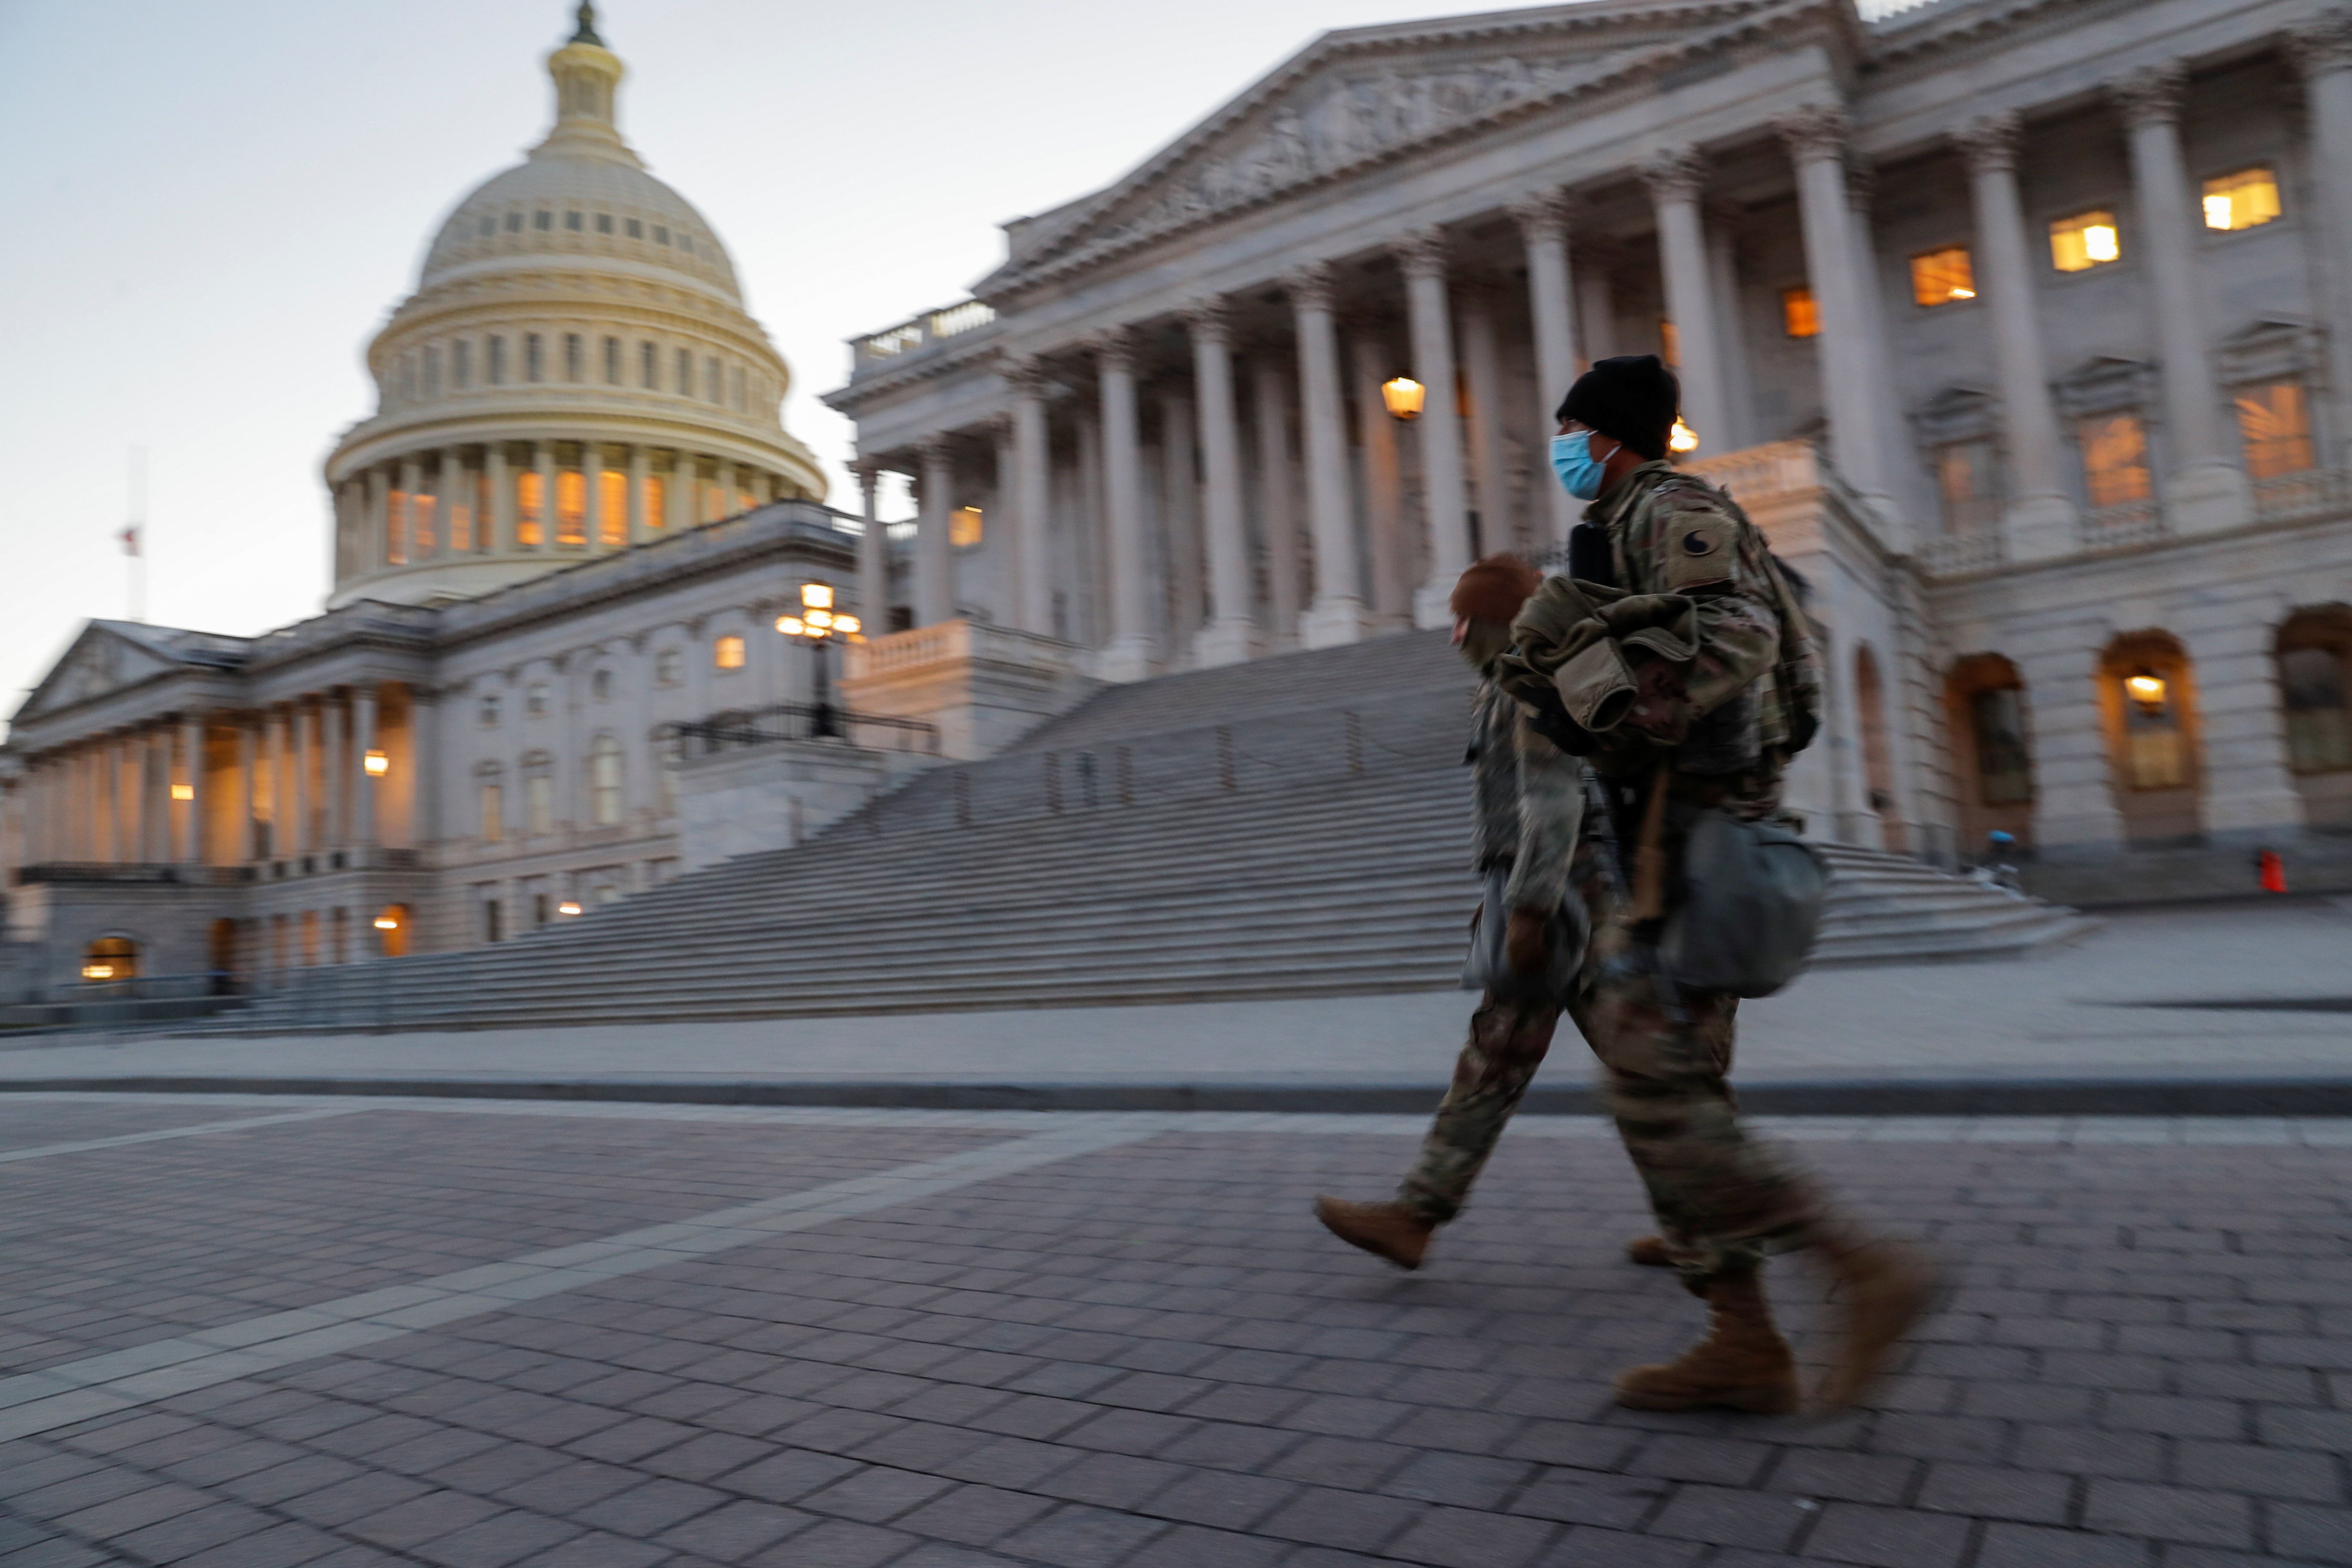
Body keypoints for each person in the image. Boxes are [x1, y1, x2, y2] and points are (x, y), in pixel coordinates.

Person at [1314, 355, 1936, 1415]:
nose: (1562, 448)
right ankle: (1746, 1333)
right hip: (1667, 834)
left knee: (1657, 1086)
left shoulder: (1669, 508)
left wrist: (1613, 707)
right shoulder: (1630, 526)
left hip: (1681, 837)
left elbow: (1733, 639)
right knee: (1662, 1085)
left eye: (1570, 430)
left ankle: (1852, 1273)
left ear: (1606, 436)